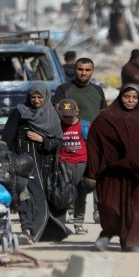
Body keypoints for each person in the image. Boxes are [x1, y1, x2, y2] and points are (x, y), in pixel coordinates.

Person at [85, 85, 139, 253]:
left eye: (134, 98)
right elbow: (95, 143)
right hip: (111, 172)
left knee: (138, 209)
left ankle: (132, 241)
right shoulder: (107, 117)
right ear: (120, 97)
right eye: (127, 97)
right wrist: (93, 170)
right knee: (109, 206)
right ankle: (107, 234)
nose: (130, 101)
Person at [1, 81, 70, 244]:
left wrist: (43, 140)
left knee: (46, 197)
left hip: (47, 165)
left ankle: (47, 230)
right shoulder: (20, 112)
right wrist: (9, 162)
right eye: (34, 96)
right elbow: (7, 139)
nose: (37, 100)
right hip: (24, 164)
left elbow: (59, 142)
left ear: (46, 97)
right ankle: (28, 229)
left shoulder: (52, 115)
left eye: (40, 97)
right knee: (26, 196)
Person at [54, 57, 107, 224]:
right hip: (71, 140)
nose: (83, 73)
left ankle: (99, 212)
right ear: (75, 70)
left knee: (97, 175)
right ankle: (71, 210)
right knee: (70, 177)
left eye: (87, 70)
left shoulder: (98, 90)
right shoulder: (64, 89)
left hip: (94, 140)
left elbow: (103, 114)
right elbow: (58, 113)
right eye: (80, 69)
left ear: (92, 71)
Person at [55, 99, 90, 235]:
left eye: (70, 116)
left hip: (81, 163)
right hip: (63, 163)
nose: (67, 119)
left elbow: (92, 145)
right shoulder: (57, 126)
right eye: (64, 116)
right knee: (65, 192)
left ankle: (79, 223)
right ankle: (70, 214)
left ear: (77, 112)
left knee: (81, 194)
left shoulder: (85, 126)